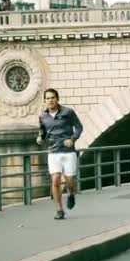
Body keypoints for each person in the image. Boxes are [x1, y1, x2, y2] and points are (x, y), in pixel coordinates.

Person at [37, 89, 83, 220]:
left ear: (57, 99)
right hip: (53, 152)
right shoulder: (42, 116)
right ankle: (59, 210)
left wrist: (72, 139)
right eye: (48, 98)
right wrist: (40, 138)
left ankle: (71, 194)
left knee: (69, 181)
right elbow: (42, 132)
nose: (50, 100)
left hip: (68, 152)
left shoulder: (68, 112)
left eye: (52, 98)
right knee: (55, 180)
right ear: (45, 101)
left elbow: (79, 127)